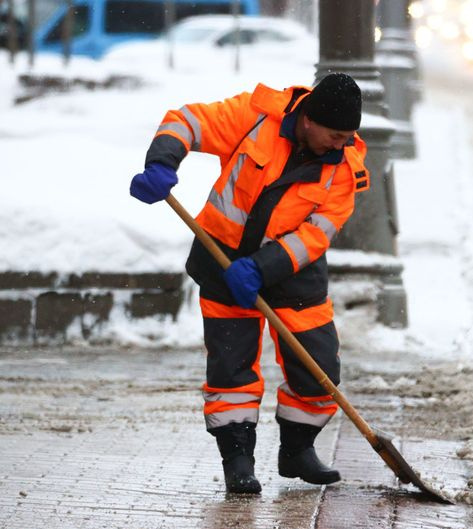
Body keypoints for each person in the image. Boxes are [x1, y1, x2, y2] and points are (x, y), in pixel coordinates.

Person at [129, 73, 369, 494]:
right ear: (309, 120)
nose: (342, 144)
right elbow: (187, 121)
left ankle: (297, 449)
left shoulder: (346, 170)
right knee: (231, 365)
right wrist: (163, 161)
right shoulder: (256, 117)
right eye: (335, 134)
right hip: (224, 260)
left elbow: (315, 234)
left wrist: (263, 266)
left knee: (319, 368)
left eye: (349, 136)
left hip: (292, 269)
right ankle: (238, 459)